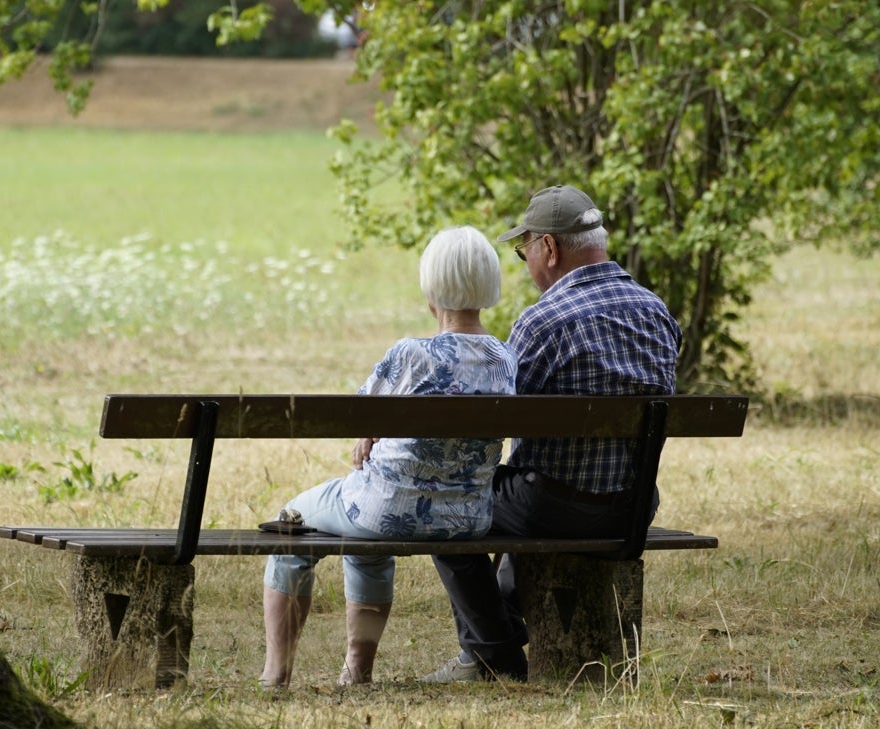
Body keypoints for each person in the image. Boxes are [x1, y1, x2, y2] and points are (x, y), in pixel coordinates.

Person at [420, 185, 683, 683]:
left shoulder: (543, 321)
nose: (526, 264)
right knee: (527, 484)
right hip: (633, 507)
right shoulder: (658, 312)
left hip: (556, 508)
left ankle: (493, 653)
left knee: (446, 501)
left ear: (549, 248)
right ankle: (499, 633)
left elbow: (498, 421)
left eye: (524, 253)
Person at [260, 225, 518, 689]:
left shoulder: (411, 355)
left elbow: (356, 415)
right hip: (466, 519)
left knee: (291, 522)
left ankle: (275, 673)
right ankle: (356, 671)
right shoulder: (505, 359)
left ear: (431, 288)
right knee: (364, 532)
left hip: (384, 510)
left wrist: (369, 432)